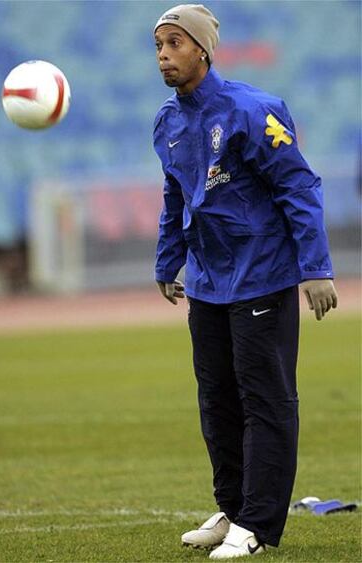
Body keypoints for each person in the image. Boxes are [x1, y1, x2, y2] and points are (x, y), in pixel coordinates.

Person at [153, 4, 338, 560]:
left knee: (266, 403)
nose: (163, 55)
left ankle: (257, 525)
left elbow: (298, 189)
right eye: (158, 45)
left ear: (203, 50)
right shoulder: (167, 121)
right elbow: (174, 197)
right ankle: (233, 508)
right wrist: (168, 262)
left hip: (262, 275)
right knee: (217, 403)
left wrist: (316, 268)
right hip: (208, 282)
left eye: (175, 44)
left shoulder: (255, 111)